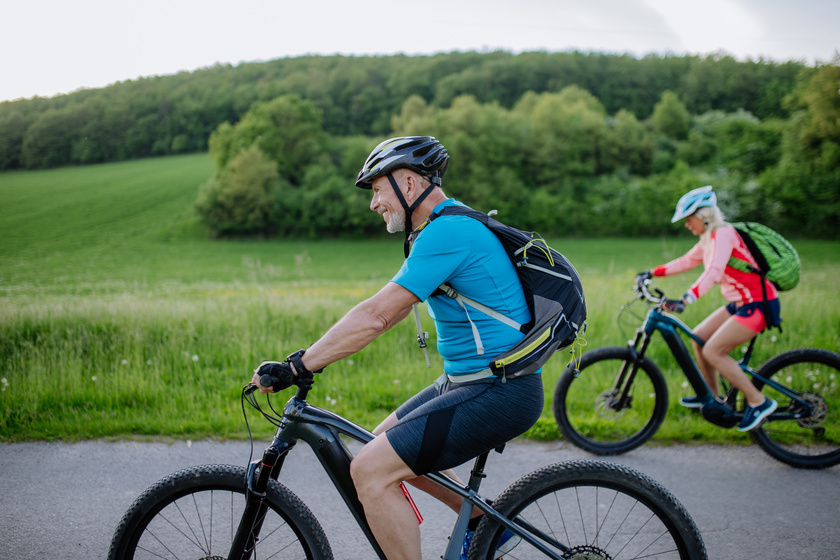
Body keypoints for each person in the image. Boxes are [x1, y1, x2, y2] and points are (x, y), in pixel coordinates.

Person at [251, 136, 542, 559]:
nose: (373, 203)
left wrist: (300, 365)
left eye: (376, 189)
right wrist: (314, 358)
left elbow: (377, 316)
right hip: (471, 382)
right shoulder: (439, 227)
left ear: (408, 184)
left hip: (498, 390)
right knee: (378, 447)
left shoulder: (449, 231)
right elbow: (397, 308)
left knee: (370, 471)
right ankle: (485, 526)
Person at [637, 185, 780, 432]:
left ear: (704, 215)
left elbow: (713, 271)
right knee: (699, 338)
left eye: (688, 219)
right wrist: (651, 272)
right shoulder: (708, 237)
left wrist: (686, 299)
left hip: (759, 303)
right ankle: (712, 397)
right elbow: (686, 262)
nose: (686, 224)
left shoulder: (723, 233)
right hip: (741, 303)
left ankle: (759, 401)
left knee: (714, 351)